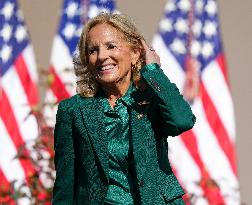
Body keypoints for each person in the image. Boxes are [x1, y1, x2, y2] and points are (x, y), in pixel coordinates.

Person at [52, 13, 196, 205]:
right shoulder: (73, 110)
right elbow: (65, 185)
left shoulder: (154, 99)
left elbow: (182, 121)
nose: (102, 56)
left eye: (111, 46)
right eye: (93, 50)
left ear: (135, 53)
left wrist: (153, 71)